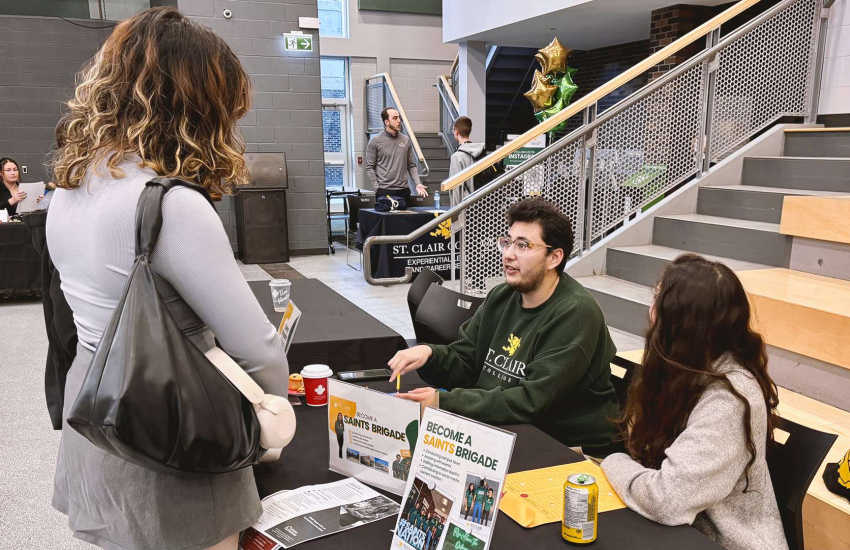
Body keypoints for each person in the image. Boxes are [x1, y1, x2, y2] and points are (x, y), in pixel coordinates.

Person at [46, 8, 289, 550]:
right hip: (170, 426)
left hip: (96, 407)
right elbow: (258, 349)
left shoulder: (71, 186)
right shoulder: (170, 206)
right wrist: (275, 419)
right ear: (198, 107)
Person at [389, 199, 621, 457]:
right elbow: (466, 361)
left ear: (554, 257)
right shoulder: (502, 295)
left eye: (523, 245)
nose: (508, 254)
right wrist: (429, 354)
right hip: (508, 427)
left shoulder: (575, 313)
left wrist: (445, 401)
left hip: (568, 447)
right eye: (507, 242)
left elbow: (531, 401)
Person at [601, 254, 788, 550]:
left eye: (659, 299)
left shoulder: (730, 400)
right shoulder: (684, 371)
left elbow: (667, 500)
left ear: (683, 324)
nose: (650, 311)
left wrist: (611, 462)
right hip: (677, 534)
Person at [365, 107, 428, 202]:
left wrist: (417, 183)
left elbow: (411, 165)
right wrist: (377, 187)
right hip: (384, 191)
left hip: (403, 191)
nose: (399, 121)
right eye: (395, 118)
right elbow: (370, 167)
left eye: (399, 117)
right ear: (386, 122)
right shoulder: (375, 141)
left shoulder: (406, 140)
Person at [447, 116, 485, 195]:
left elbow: (456, 189)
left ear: (456, 132)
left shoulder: (457, 157)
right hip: (482, 200)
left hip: (467, 202)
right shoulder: (481, 151)